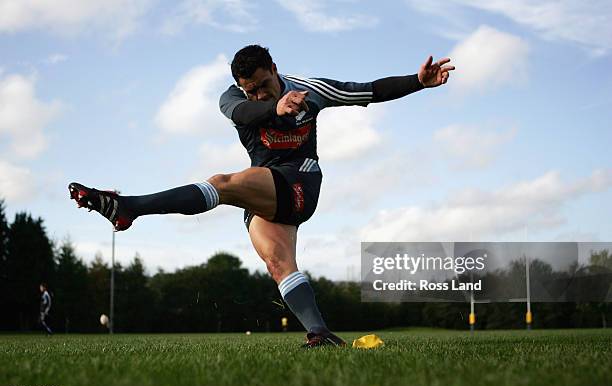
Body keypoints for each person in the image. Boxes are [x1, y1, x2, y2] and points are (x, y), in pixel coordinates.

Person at [68, 45, 454, 347]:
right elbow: (244, 116)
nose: (255, 94)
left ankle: (128, 207)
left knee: (222, 183)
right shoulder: (233, 98)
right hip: (265, 193)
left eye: (263, 86)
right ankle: (320, 334)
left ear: (274, 69)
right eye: (248, 90)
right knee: (279, 264)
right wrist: (272, 106)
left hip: (300, 183)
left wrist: (417, 81)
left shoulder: (311, 90)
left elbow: (366, 91)